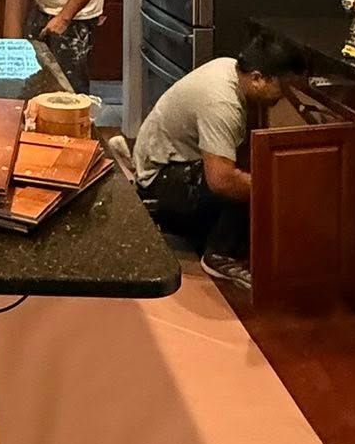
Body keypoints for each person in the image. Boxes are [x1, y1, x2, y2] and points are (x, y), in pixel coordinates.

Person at [121, 33, 308, 290]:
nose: (283, 97)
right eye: (282, 87)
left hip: (166, 161)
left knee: (249, 172)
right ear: (257, 78)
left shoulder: (229, 68)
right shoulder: (222, 103)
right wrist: (278, 192)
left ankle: (192, 226)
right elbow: (221, 181)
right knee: (245, 180)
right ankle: (221, 254)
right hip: (158, 178)